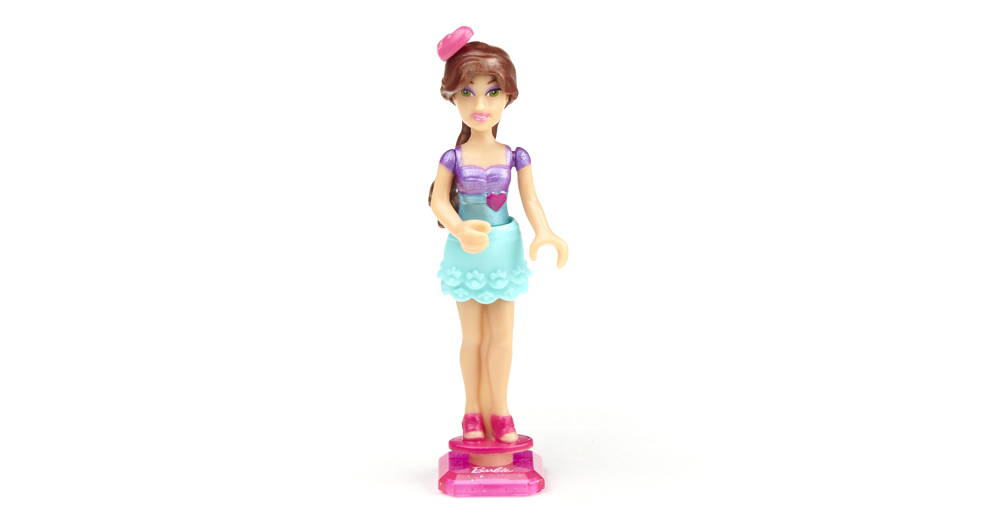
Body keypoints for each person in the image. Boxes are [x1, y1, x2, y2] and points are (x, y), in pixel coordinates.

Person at [428, 29, 569, 444]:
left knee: (503, 339)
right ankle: (472, 412)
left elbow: (531, 200)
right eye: (467, 93)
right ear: (452, 97)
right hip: (466, 253)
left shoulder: (514, 156)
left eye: (492, 93)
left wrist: (545, 231)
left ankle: (501, 413)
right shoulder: (453, 157)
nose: (480, 105)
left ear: (508, 97)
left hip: (504, 252)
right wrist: (458, 227)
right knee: (472, 338)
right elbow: (438, 201)